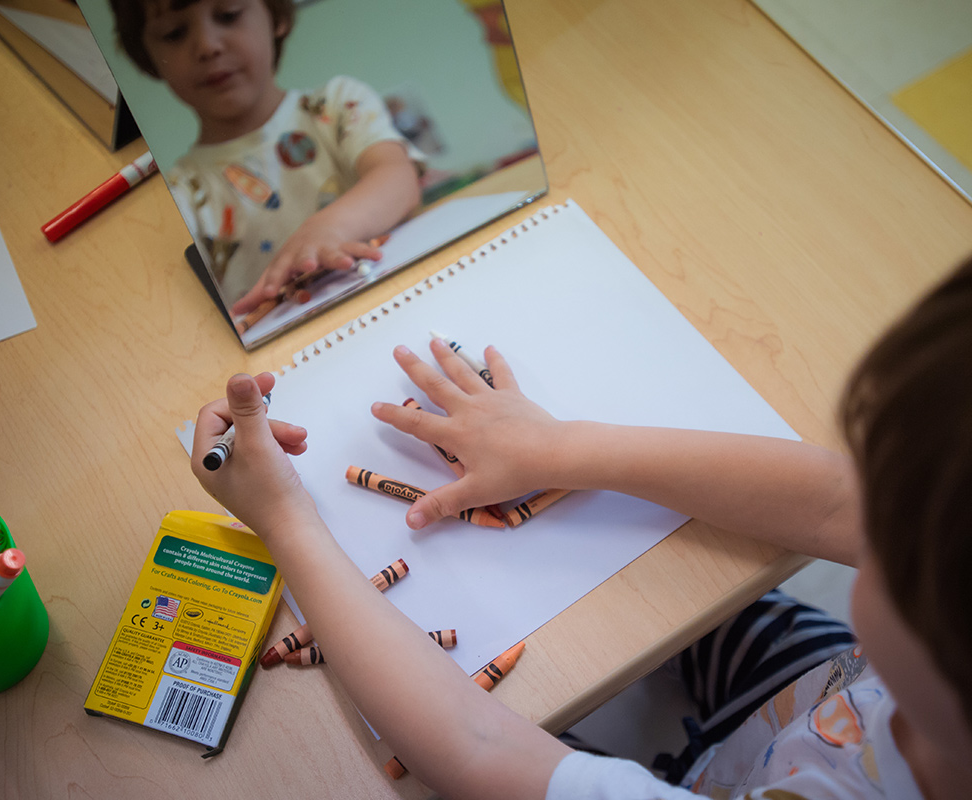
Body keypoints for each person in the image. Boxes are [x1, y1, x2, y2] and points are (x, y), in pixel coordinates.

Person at [190, 256, 972, 799]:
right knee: (724, 604)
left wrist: (287, 520)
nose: (873, 523)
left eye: (896, 549)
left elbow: (477, 746)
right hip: (823, 703)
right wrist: (557, 447)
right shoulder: (941, 671)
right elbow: (838, 502)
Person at [111, 0, 423, 311]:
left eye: (229, 15)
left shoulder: (336, 106)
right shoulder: (181, 193)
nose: (207, 46)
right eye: (174, 33)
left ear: (275, 18)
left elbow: (398, 178)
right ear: (149, 60)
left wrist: (330, 229)